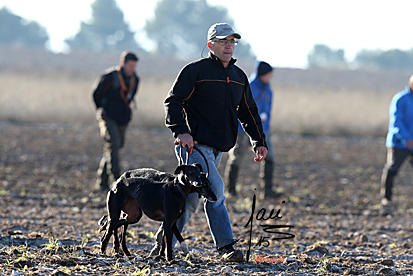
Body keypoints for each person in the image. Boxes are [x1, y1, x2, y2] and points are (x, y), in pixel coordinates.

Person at [150, 23, 268, 262]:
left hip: (217, 151)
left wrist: (259, 141)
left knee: (190, 200)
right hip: (193, 148)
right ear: (210, 45)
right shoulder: (196, 71)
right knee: (216, 192)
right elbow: (173, 102)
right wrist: (181, 132)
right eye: (223, 41)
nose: (228, 46)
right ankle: (226, 248)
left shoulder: (238, 77)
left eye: (232, 41)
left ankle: (162, 245)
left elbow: (248, 112)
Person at [225, 61, 280, 199]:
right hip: (244, 129)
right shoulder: (249, 87)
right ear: (262, 74)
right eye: (269, 74)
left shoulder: (268, 89)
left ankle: (267, 190)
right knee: (237, 157)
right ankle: (230, 190)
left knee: (270, 157)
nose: (271, 76)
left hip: (263, 130)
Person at [92, 51, 139, 191]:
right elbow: (96, 95)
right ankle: (118, 181)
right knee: (113, 144)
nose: (133, 69)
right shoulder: (109, 77)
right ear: (123, 63)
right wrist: (103, 110)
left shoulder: (135, 79)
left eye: (135, 66)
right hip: (107, 116)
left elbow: (130, 97)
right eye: (131, 66)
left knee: (115, 148)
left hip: (122, 118)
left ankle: (102, 183)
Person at [380, 74, 413, 215]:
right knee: (392, 170)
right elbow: (397, 122)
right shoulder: (400, 99)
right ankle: (386, 199)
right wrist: (407, 139)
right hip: (399, 143)